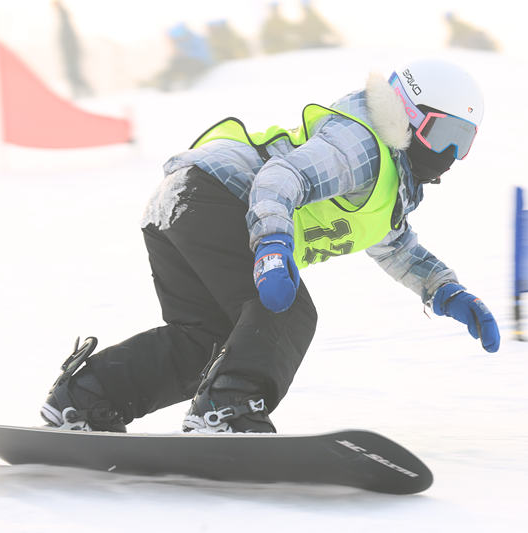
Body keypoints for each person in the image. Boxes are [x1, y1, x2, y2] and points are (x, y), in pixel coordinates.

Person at [40, 59, 501, 434]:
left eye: (463, 144)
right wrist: (273, 247)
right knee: (289, 312)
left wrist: (446, 291)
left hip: (177, 205)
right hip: (213, 196)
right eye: (444, 137)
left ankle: (86, 398)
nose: (450, 158)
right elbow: (280, 179)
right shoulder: (361, 147)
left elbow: (398, 249)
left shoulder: (387, 189)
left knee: (207, 340)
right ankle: (228, 411)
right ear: (409, 116)